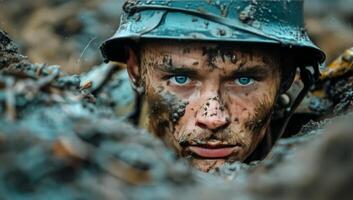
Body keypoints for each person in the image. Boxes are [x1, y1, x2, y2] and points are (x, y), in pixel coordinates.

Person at [100, 0, 325, 172]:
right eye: (181, 79)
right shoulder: (93, 123)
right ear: (135, 68)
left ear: (286, 75)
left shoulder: (325, 140)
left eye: (243, 80)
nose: (212, 118)